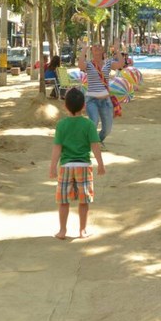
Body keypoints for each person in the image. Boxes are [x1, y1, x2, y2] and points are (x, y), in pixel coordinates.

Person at [48, 88, 105, 240]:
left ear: (65, 106)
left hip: (66, 166)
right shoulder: (89, 124)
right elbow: (95, 146)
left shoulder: (61, 125)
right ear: (84, 106)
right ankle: (82, 230)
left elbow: (57, 148)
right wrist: (100, 164)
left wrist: (53, 167)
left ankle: (62, 230)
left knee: (63, 201)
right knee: (84, 200)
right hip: (83, 166)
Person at [77, 42, 125, 147]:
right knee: (93, 122)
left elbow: (121, 64)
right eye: (95, 46)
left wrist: (117, 50)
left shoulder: (108, 63)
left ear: (103, 50)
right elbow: (80, 65)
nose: (97, 47)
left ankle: (98, 140)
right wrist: (84, 49)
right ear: (92, 50)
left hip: (106, 101)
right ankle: (92, 144)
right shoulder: (89, 64)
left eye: (99, 46)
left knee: (107, 129)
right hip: (91, 100)